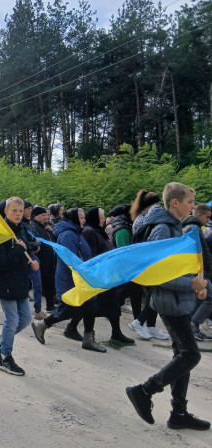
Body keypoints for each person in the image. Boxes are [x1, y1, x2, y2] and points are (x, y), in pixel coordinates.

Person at [126, 182, 210, 431]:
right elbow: (156, 273)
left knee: (181, 356)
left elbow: (176, 267)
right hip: (168, 302)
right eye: (190, 202)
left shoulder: (175, 225)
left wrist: (195, 285)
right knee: (191, 355)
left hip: (178, 300)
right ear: (175, 202)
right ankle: (145, 390)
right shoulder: (162, 228)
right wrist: (190, 284)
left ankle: (178, 413)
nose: (193, 207)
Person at [31, 207, 107, 353]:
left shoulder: (75, 232)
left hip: (80, 277)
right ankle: (43, 324)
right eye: (81, 217)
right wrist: (83, 273)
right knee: (70, 309)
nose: (84, 220)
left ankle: (85, 337)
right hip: (71, 278)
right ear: (74, 219)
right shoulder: (68, 234)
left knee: (89, 306)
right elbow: (69, 259)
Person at [0, 197, 37, 375]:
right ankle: (5, 356)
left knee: (26, 318)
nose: (18, 214)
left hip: (20, 281)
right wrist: (17, 250)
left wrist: (33, 261)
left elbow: (26, 250)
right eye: (14, 211)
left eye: (20, 211)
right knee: (12, 320)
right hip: (5, 283)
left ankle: (1, 342)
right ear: (6, 212)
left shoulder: (20, 228)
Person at [82, 207, 135, 345]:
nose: (103, 220)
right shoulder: (89, 231)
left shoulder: (98, 230)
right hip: (99, 274)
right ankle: (58, 324)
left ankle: (116, 332)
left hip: (108, 273)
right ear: (94, 218)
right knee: (90, 307)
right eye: (100, 217)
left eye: (103, 217)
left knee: (113, 303)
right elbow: (91, 254)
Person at [127, 190, 170, 341]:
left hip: (146, 262)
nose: (159, 207)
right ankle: (139, 322)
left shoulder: (146, 218)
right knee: (154, 294)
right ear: (151, 205)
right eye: (157, 204)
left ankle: (150, 325)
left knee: (154, 293)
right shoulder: (144, 220)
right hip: (146, 262)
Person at [181, 203, 212, 341]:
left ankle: (191, 327)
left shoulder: (191, 227)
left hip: (197, 270)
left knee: (198, 299)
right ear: (199, 215)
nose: (208, 220)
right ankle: (193, 325)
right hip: (198, 271)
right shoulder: (194, 229)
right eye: (207, 217)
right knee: (209, 298)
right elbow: (201, 252)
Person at [29, 206, 57, 313]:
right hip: (41, 259)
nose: (46, 217)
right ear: (36, 216)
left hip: (50, 259)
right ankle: (41, 308)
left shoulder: (45, 226)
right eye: (43, 215)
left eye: (46, 215)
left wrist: (52, 231)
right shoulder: (33, 225)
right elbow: (37, 241)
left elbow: (53, 240)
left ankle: (50, 305)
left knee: (49, 281)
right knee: (41, 283)